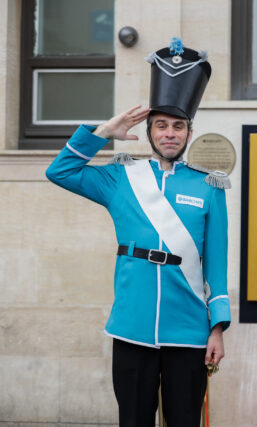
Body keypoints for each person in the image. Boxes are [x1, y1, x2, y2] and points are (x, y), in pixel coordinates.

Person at [46, 39, 230, 426]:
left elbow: (218, 265)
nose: (169, 134)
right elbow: (60, 172)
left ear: (189, 133)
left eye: (178, 126)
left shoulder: (209, 187)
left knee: (184, 420)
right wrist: (103, 131)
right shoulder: (120, 178)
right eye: (161, 126)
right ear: (148, 131)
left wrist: (218, 328)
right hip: (133, 326)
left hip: (189, 329)